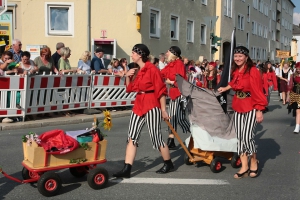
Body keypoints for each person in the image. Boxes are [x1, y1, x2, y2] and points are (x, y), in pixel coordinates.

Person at [113, 44, 174, 178]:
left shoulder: (152, 70)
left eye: (133, 53)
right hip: (139, 104)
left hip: (152, 104)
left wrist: (164, 110)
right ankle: (127, 168)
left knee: (156, 137)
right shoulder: (138, 70)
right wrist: (127, 75)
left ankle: (168, 163)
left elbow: (161, 91)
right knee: (131, 137)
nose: (131, 55)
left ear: (140, 54)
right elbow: (130, 89)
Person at [218, 46, 267, 179]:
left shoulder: (253, 71)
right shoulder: (235, 70)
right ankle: (244, 166)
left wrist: (259, 110)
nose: (238, 58)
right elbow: (234, 83)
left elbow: (257, 91)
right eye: (236, 56)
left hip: (251, 105)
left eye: (241, 56)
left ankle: (253, 162)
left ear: (246, 57)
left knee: (248, 137)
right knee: (240, 138)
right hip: (238, 105)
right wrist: (225, 88)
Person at [160, 46, 190, 149]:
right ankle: (171, 138)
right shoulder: (170, 65)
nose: (166, 53)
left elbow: (181, 80)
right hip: (173, 92)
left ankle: (195, 134)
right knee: (172, 116)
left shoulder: (179, 64)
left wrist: (171, 82)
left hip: (180, 93)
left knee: (180, 118)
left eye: (168, 52)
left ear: (174, 54)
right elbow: (160, 74)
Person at [288, 62, 300, 133]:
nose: (298, 70)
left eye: (299, 69)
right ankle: (297, 126)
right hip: (295, 94)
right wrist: (288, 96)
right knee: (297, 110)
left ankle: (297, 126)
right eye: (297, 69)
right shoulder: (293, 75)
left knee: (298, 110)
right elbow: (290, 86)